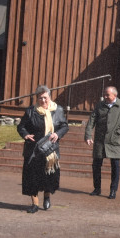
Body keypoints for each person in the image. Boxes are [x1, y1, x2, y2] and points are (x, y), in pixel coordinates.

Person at [17, 85, 69, 213]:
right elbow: (21, 127)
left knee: (48, 176)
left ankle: (47, 197)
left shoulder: (58, 110)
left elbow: (64, 126)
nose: (43, 101)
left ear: (49, 97)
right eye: (40, 98)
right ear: (37, 99)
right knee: (32, 177)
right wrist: (25, 134)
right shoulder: (30, 111)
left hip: (50, 149)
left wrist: (58, 134)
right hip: (33, 149)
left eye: (45, 98)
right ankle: (34, 204)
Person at [85, 85, 120, 199]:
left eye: (107, 95)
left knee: (115, 166)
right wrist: (88, 135)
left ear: (114, 95)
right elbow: (92, 120)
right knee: (96, 165)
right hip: (100, 140)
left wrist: (118, 132)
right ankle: (97, 188)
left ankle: (113, 190)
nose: (105, 96)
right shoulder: (100, 105)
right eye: (104, 94)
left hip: (114, 141)